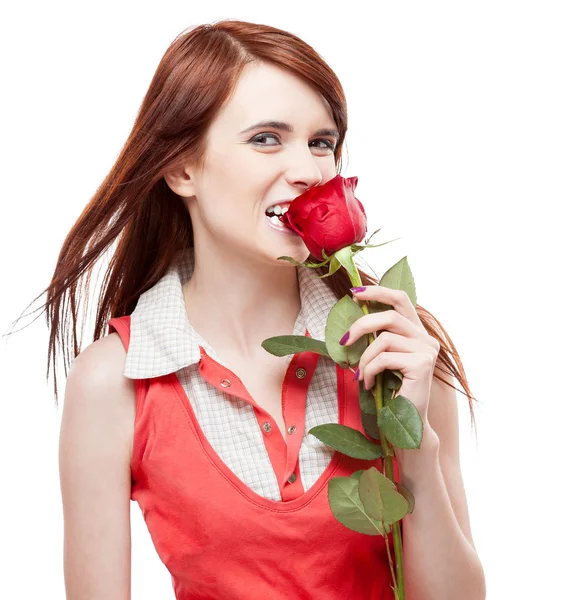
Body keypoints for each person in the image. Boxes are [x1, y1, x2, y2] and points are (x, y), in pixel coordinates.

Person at [41, 19, 485, 599]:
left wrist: (414, 446)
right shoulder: (115, 383)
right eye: (266, 138)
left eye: (321, 142)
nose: (308, 170)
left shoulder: (396, 350)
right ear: (182, 169)